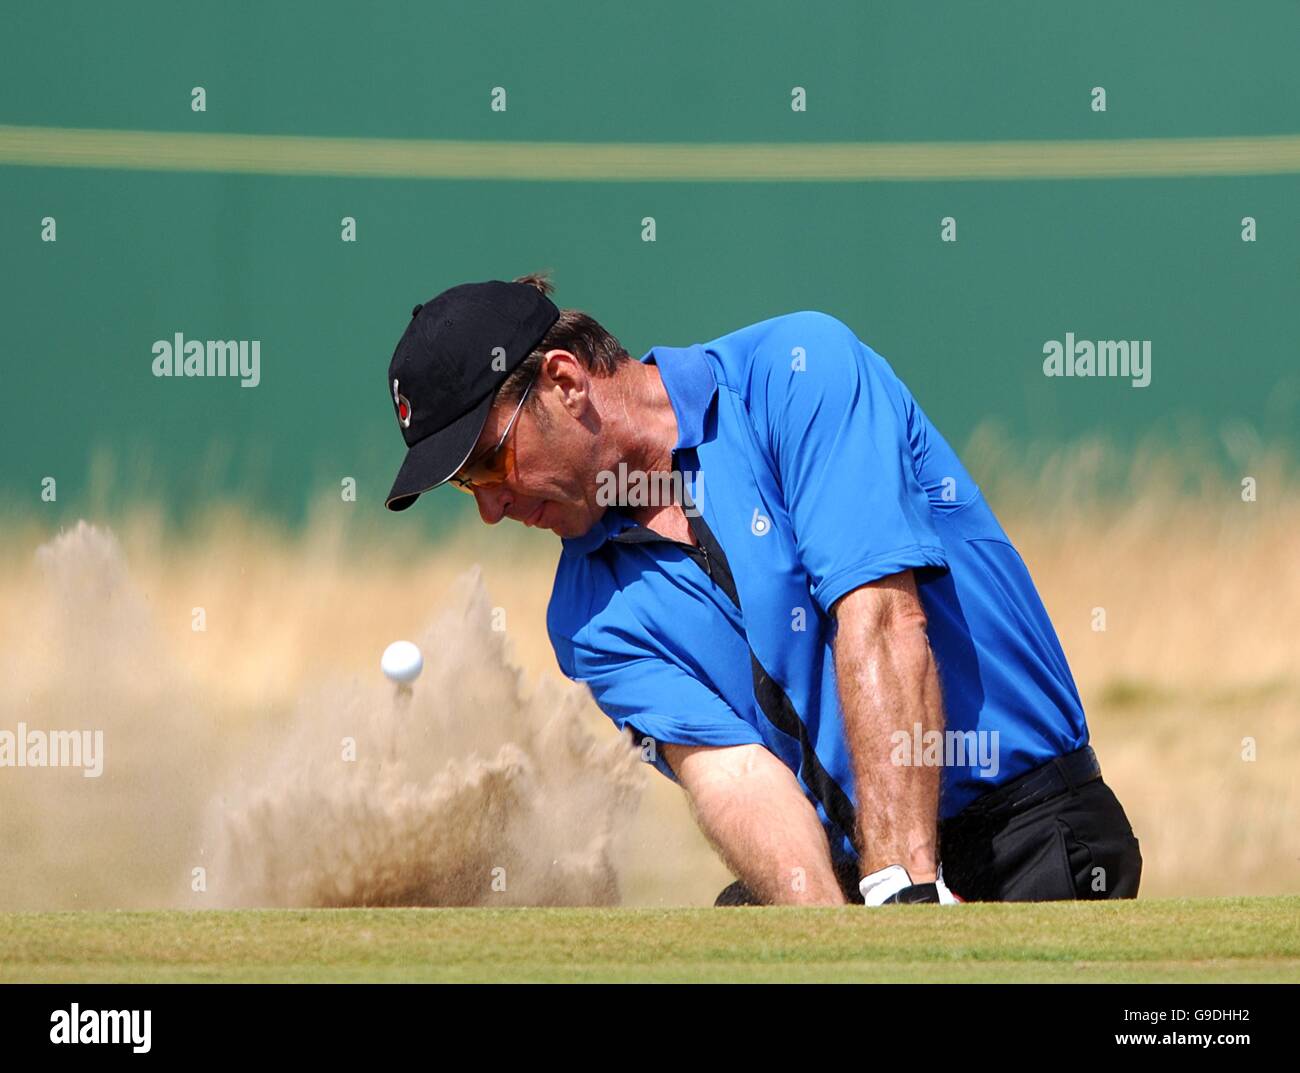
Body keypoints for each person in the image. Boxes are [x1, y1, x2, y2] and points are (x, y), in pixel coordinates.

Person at [384, 273, 1142, 906]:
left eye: (488, 463)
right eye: (464, 489)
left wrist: (903, 893)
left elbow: (877, 615)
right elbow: (734, 774)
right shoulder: (586, 620)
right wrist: (830, 939)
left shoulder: (797, 370)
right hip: (860, 881)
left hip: (1031, 835)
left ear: (564, 381)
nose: (489, 507)